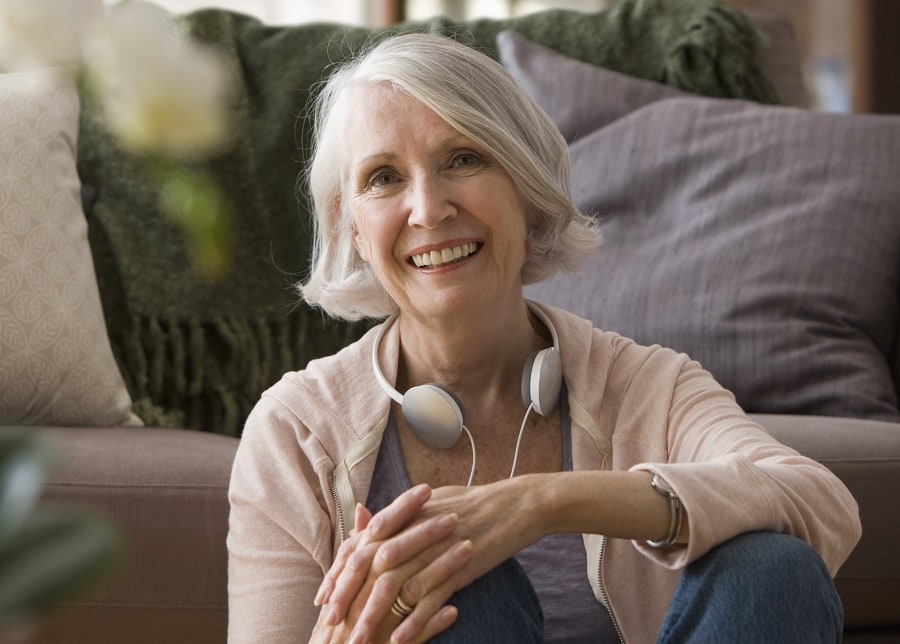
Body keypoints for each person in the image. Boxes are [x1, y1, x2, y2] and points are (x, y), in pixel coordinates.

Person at [227, 32, 861, 644]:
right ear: (356, 230)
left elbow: (819, 503)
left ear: (528, 191)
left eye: (464, 159)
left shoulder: (647, 387)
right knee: (445, 568)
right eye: (384, 178)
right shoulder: (296, 431)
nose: (428, 209)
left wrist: (541, 503)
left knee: (772, 568)